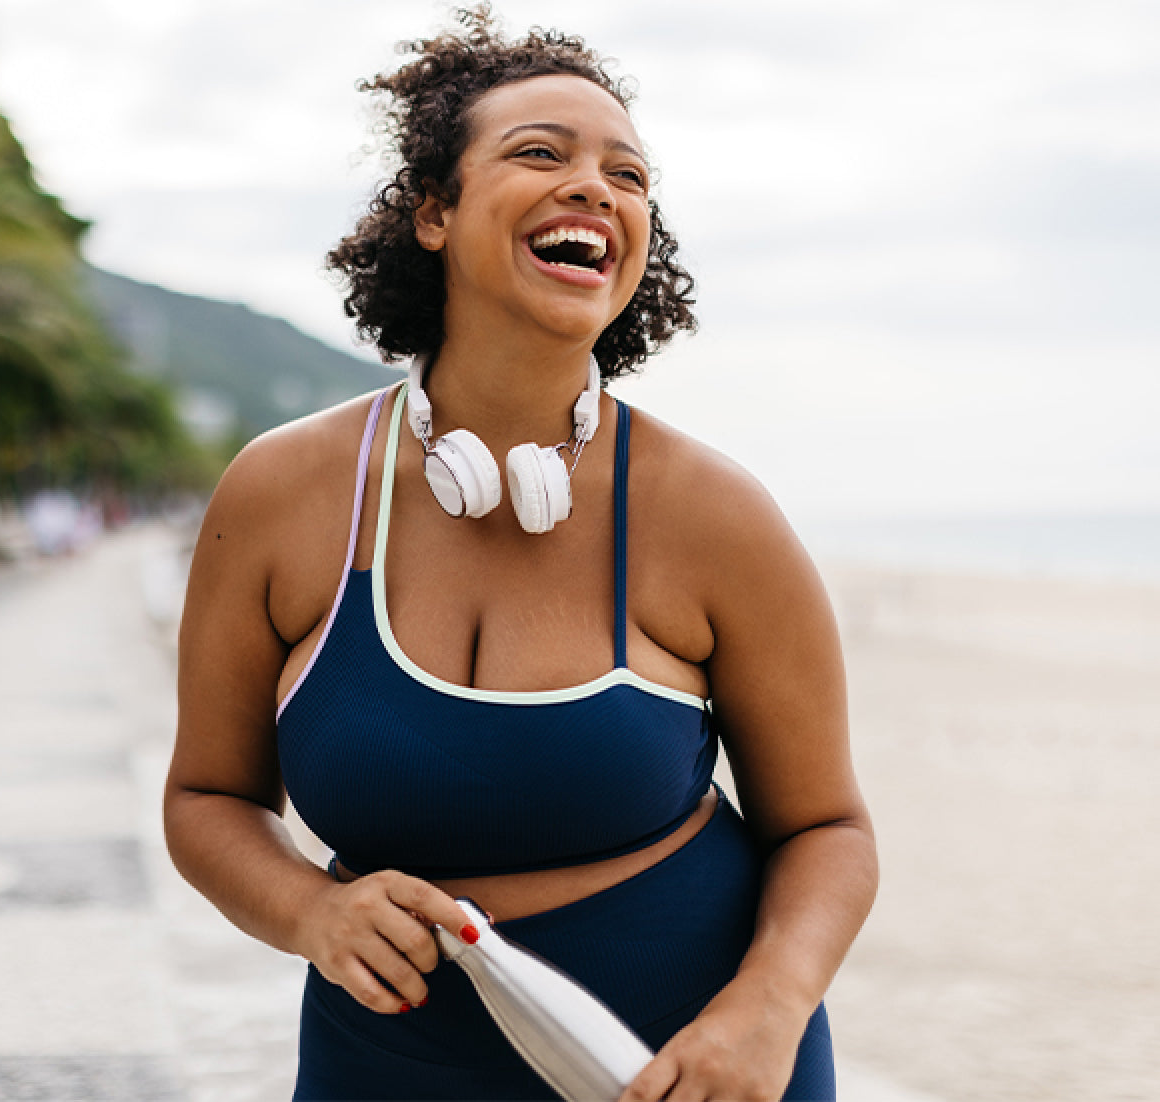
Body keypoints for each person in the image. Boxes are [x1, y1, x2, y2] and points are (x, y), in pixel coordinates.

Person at [165, 8, 877, 1100]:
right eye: (541, 153)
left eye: (629, 175)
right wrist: (311, 910)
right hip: (384, 1066)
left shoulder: (715, 514)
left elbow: (829, 826)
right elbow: (208, 798)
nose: (596, 187)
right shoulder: (282, 495)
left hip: (689, 1066)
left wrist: (768, 1008)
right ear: (436, 213)